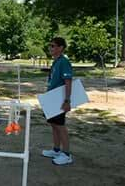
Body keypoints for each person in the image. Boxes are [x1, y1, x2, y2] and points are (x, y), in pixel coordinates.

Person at [41, 37, 73, 165]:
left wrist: (67, 100)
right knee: (53, 125)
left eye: (53, 46)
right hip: (51, 98)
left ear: (60, 48)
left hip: (59, 99)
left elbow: (68, 81)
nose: (50, 48)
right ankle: (56, 149)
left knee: (60, 126)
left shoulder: (64, 62)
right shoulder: (56, 61)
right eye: (50, 46)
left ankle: (66, 154)